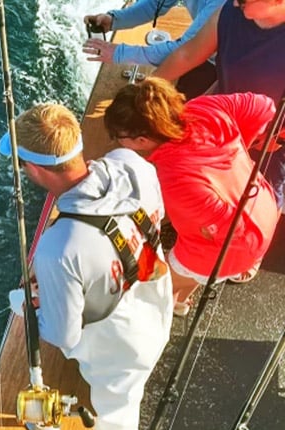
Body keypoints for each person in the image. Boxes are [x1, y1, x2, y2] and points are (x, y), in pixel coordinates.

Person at [0, 104, 173, 430]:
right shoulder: (131, 165)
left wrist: (24, 304)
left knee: (117, 418)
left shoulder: (58, 249)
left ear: (35, 169)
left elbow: (62, 334)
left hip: (123, 349)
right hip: (155, 302)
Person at [104, 77, 280, 314]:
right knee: (192, 268)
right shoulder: (204, 108)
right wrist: (239, 148)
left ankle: (166, 310)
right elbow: (264, 107)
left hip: (239, 245)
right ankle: (182, 302)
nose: (117, 142)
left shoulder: (174, 178)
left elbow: (231, 229)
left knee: (158, 287)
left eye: (118, 137)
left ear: (142, 140)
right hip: (264, 209)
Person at [153, 0, 285, 215]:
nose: (234, 2)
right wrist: (148, 88)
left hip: (267, 148)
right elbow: (187, 55)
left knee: (254, 214)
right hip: (217, 125)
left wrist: (278, 138)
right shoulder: (229, 13)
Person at [82, 0, 224, 97]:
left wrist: (119, 53)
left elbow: (186, 51)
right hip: (203, 54)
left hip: (226, 68)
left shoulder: (221, 4)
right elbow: (154, 4)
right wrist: (115, 20)